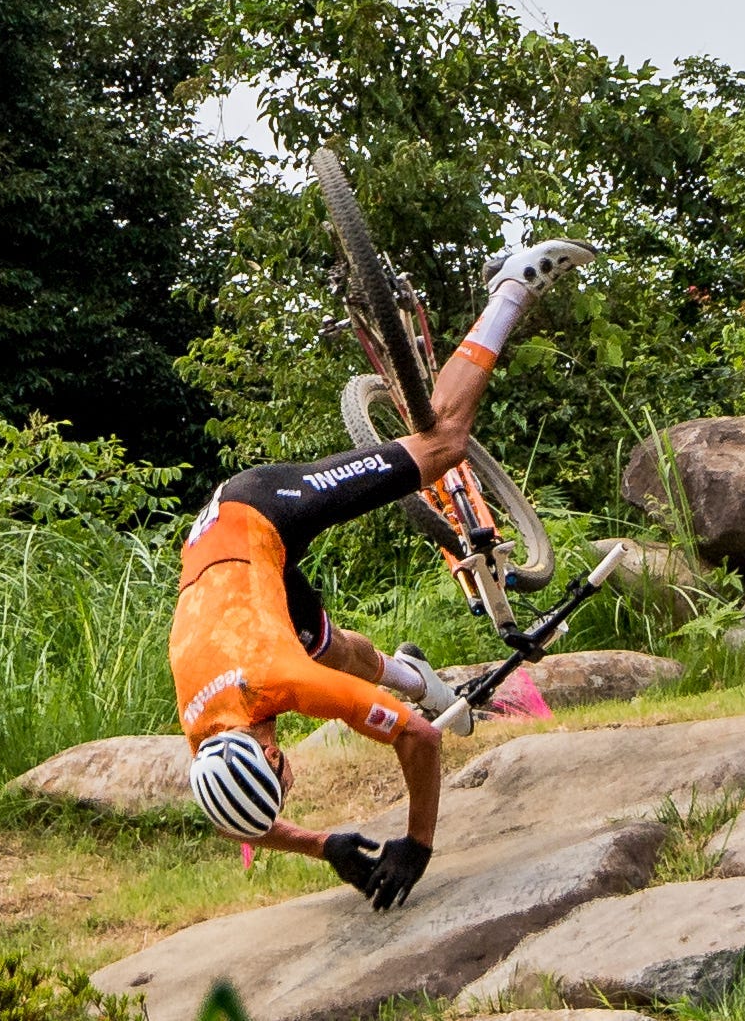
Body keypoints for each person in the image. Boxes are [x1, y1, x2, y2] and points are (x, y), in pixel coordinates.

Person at [172, 236, 596, 911]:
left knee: (443, 442)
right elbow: (232, 816)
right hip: (234, 582)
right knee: (330, 649)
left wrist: (416, 843)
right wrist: (325, 843)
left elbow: (418, 738)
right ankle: (411, 674)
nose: (290, 776)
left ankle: (513, 286)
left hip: (257, 511)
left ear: (273, 760)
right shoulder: (207, 732)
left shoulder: (280, 685)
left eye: (286, 781)